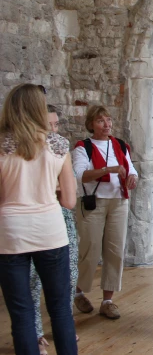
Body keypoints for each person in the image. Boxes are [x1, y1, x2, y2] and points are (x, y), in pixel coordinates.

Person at [0, 84, 78, 355]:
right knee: (59, 309)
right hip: (50, 230)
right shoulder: (58, 145)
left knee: (21, 314)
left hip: (10, 233)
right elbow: (69, 201)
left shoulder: (1, 144)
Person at [72, 105, 138, 320]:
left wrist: (132, 177)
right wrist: (107, 170)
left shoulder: (119, 145)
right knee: (89, 250)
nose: (107, 124)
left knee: (115, 251)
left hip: (118, 202)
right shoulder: (83, 148)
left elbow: (131, 168)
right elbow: (81, 175)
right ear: (91, 124)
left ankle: (108, 300)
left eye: (109, 120)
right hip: (94, 203)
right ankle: (79, 291)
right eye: (101, 121)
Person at [29, 105, 80, 355]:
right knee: (31, 281)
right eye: (47, 124)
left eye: (56, 124)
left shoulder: (59, 146)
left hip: (60, 217)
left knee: (68, 277)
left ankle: (64, 327)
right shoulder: (22, 147)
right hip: (33, 217)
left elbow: (70, 191)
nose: (52, 129)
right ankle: (36, 334)